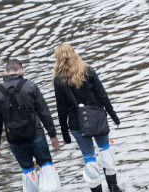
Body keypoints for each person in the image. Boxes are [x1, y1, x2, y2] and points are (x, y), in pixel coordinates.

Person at [52, 43, 122, 192]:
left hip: (77, 124)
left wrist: (64, 133)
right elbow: (102, 96)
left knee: (89, 158)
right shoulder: (88, 71)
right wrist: (114, 116)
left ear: (58, 59)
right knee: (105, 151)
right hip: (97, 119)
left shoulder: (59, 81)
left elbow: (61, 109)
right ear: (73, 53)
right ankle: (114, 188)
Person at [0, 59, 61, 192]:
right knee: (46, 164)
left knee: (27, 170)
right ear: (21, 71)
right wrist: (53, 135)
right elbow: (44, 112)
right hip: (36, 135)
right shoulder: (30, 86)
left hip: (15, 139)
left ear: (5, 72)